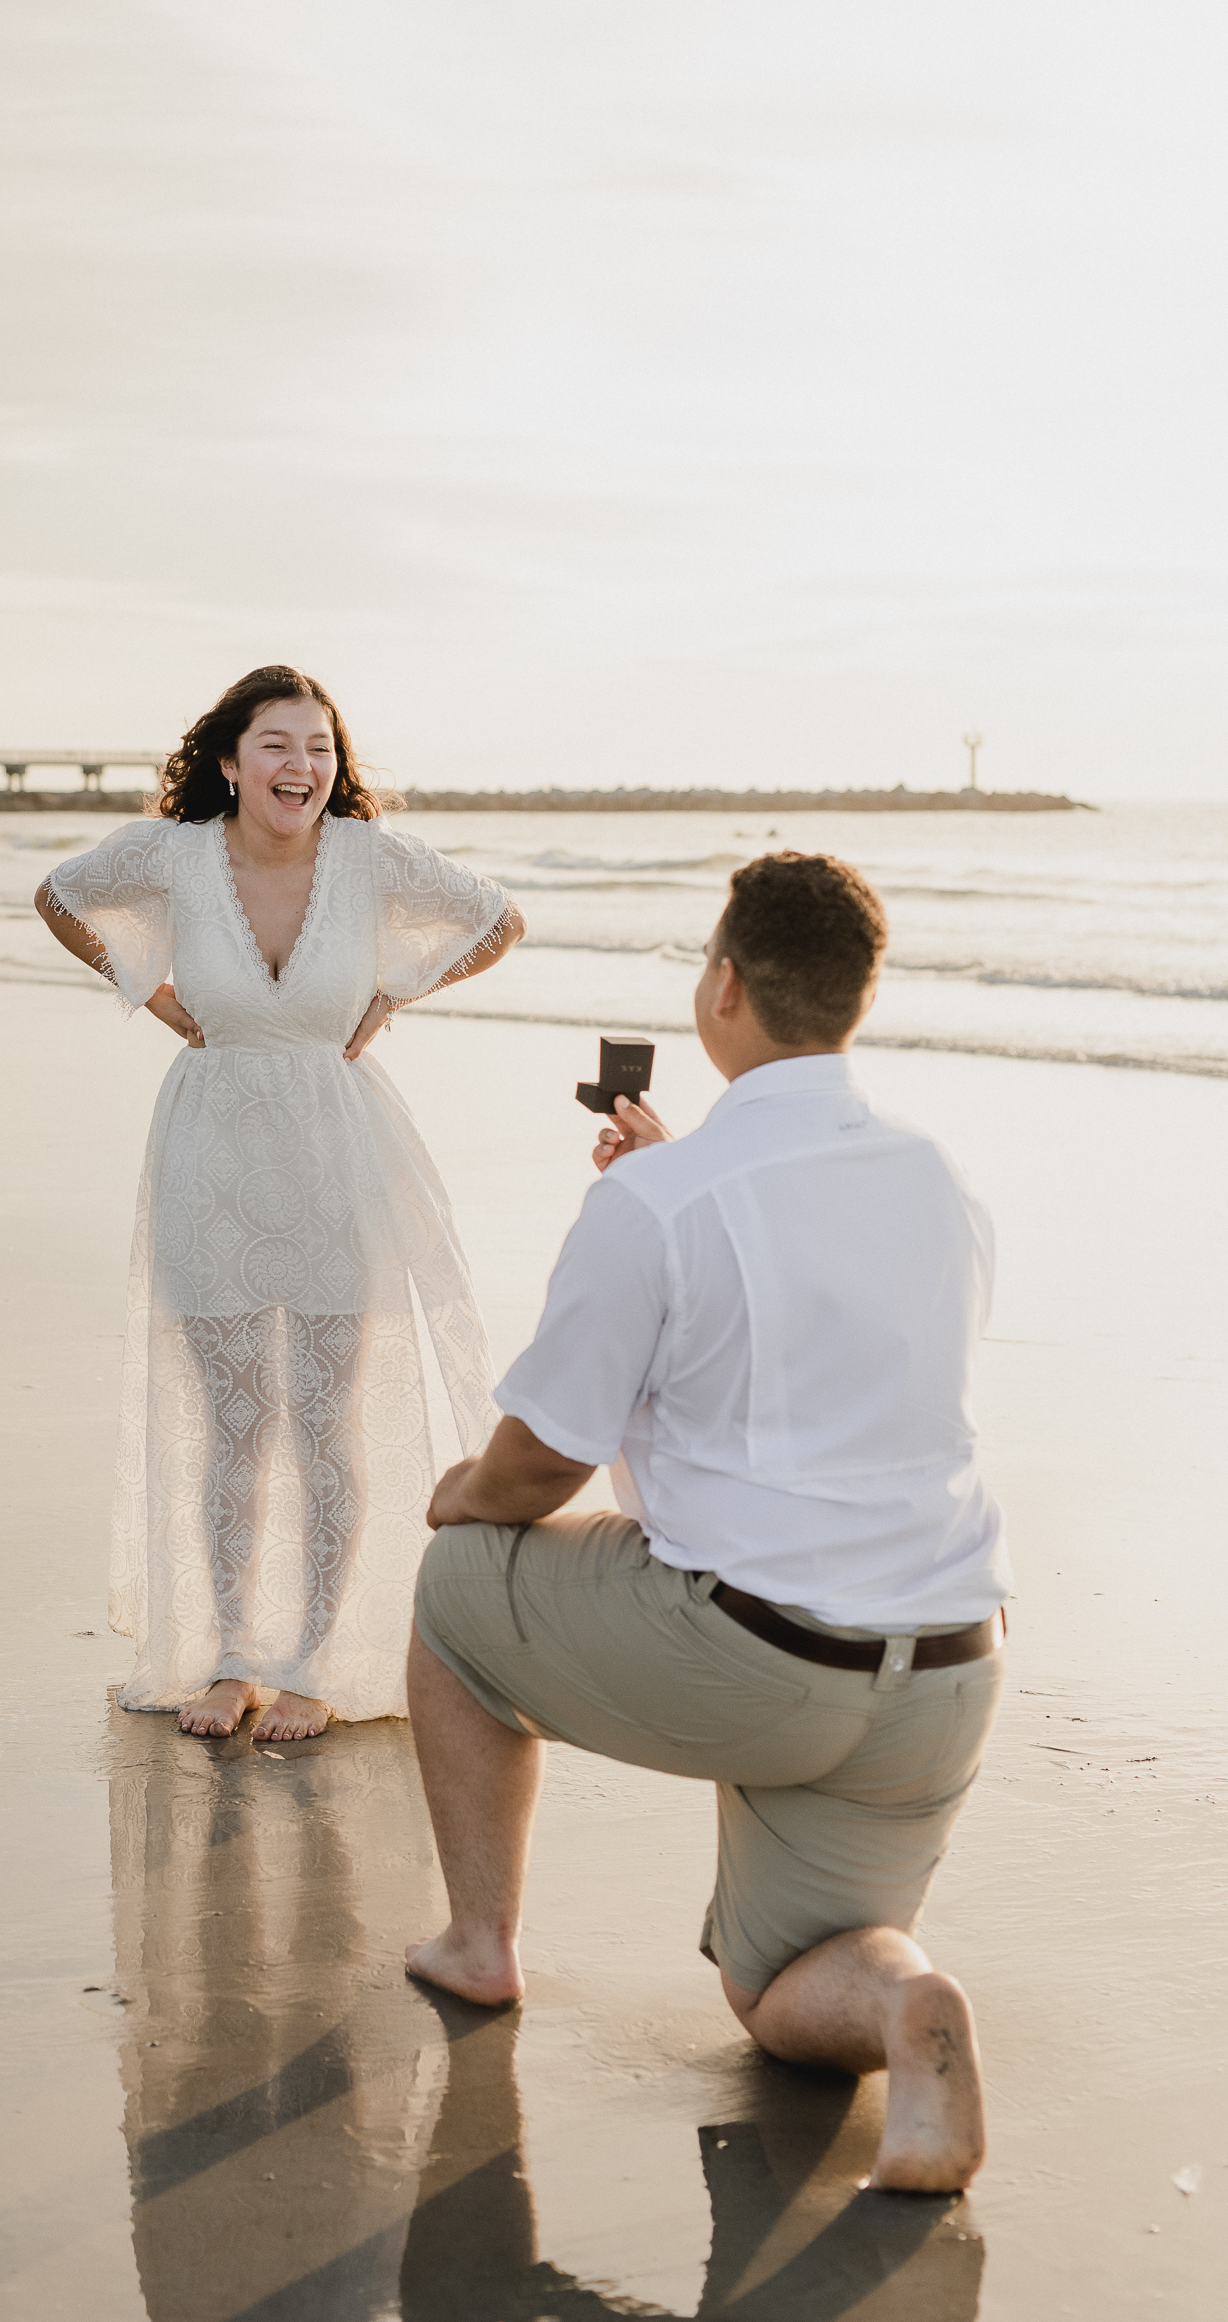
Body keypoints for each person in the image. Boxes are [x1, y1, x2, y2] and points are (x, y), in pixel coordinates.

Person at [403, 850, 1013, 2193]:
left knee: (454, 1587)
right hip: (944, 1664)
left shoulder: (654, 1202)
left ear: (722, 984)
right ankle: (907, 2011)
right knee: (778, 1990)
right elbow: (841, 1345)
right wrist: (682, 1177)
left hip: (754, 1654)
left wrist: (462, 1491)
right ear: (857, 993)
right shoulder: (940, 1176)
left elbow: (541, 1462)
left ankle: (476, 1940)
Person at [35, 664, 523, 1742]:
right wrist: (155, 999)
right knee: (231, 1423)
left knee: (321, 1420)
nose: (301, 767)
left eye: (319, 748)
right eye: (276, 745)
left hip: (334, 1154)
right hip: (208, 1149)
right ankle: (229, 1659)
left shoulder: (369, 858)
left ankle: (312, 1662)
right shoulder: (170, 855)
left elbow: (495, 920)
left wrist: (394, 992)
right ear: (228, 760)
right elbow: (61, 898)